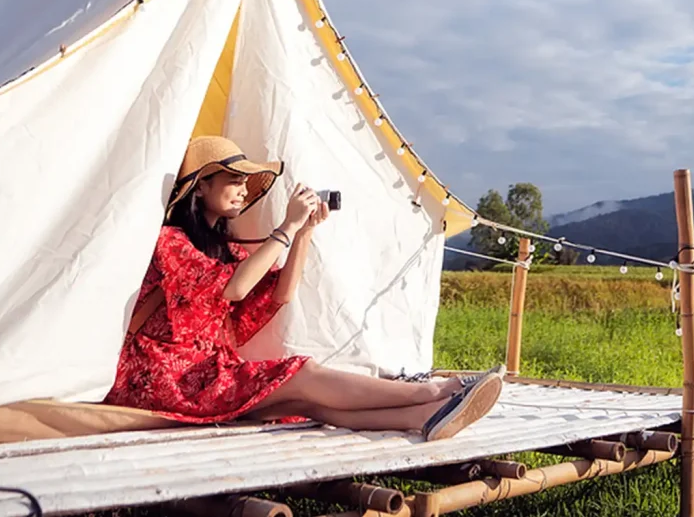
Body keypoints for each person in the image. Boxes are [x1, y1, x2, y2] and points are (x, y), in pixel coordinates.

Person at [104, 136, 502, 442]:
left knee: (303, 402)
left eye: (246, 182)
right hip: (161, 376)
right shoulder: (170, 240)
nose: (243, 189)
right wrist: (287, 227)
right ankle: (433, 391)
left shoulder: (226, 249)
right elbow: (236, 290)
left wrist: (305, 233)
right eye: (233, 180)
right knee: (300, 371)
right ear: (201, 186)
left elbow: (280, 294)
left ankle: (422, 418)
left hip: (206, 372)